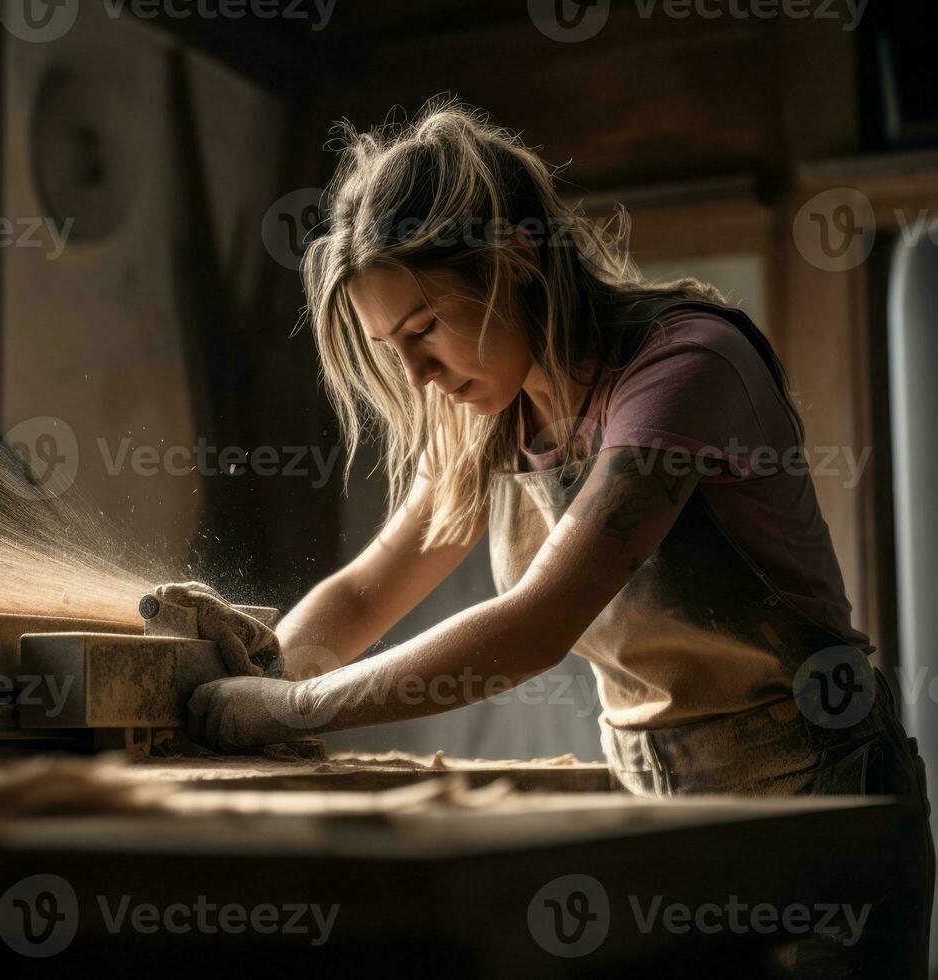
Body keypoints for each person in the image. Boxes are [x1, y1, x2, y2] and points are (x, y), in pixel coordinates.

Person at [164, 99, 932, 968]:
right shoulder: (492, 413)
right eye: (391, 346)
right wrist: (263, 668)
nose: (416, 374)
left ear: (514, 259)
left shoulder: (684, 367)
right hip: (654, 798)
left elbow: (534, 624)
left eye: (423, 330)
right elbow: (369, 587)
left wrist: (287, 709)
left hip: (815, 793)